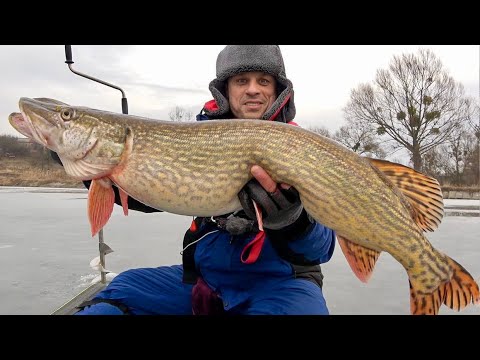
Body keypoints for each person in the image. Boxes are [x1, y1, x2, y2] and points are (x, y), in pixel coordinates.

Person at [70, 45, 336, 315]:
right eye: (242, 80)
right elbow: (159, 192)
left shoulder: (302, 147)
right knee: (115, 297)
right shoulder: (197, 140)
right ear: (226, 90)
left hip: (282, 285)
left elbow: (321, 248)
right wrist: (81, 158)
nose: (253, 89)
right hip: (207, 282)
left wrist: (291, 220)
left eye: (263, 81)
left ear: (277, 91)